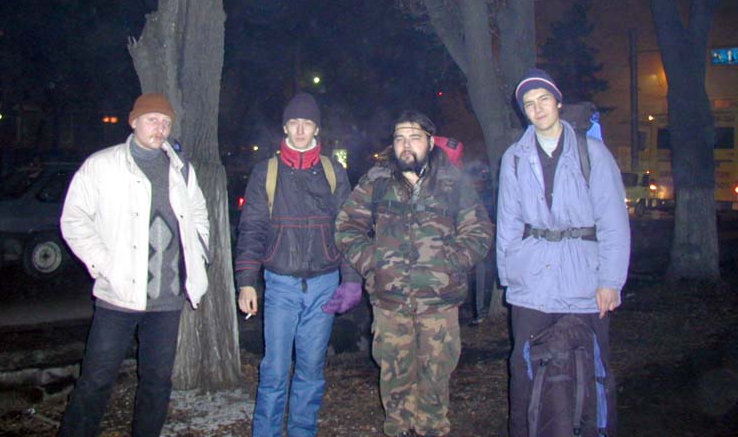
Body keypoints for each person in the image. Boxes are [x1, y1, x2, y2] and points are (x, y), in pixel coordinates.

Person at [58, 93, 211, 437]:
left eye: (166, 122)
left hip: (167, 299)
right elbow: (74, 219)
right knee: (96, 380)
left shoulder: (181, 169)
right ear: (134, 121)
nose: (160, 128)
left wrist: (198, 253)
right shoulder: (103, 165)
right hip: (118, 296)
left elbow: (199, 213)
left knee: (157, 382)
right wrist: (104, 263)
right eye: (152, 119)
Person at [335, 110, 493, 437]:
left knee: (435, 380)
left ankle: (432, 429)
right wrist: (373, 262)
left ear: (430, 143)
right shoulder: (376, 181)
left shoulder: (453, 183)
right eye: (400, 139)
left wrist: (451, 264)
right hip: (389, 303)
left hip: (439, 304)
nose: (406, 145)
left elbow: (479, 232)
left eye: (414, 138)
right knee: (394, 382)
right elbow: (347, 226)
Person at [496, 69, 630, 437]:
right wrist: (511, 277)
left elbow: (613, 222)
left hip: (584, 281)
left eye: (543, 100)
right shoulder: (514, 158)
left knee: (590, 366)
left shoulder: (593, 153)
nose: (537, 109)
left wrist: (611, 281)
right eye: (528, 104)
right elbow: (508, 222)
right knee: (525, 369)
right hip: (532, 283)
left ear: (558, 103)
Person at [235, 92, 361, 437]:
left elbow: (348, 229)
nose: (301, 129)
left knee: (311, 370)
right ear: (285, 127)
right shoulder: (267, 172)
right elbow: (252, 229)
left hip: (324, 284)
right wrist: (247, 281)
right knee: (274, 370)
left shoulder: (333, 172)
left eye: (307, 123)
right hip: (280, 284)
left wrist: (351, 279)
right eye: (294, 122)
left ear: (317, 128)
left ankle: (303, 431)